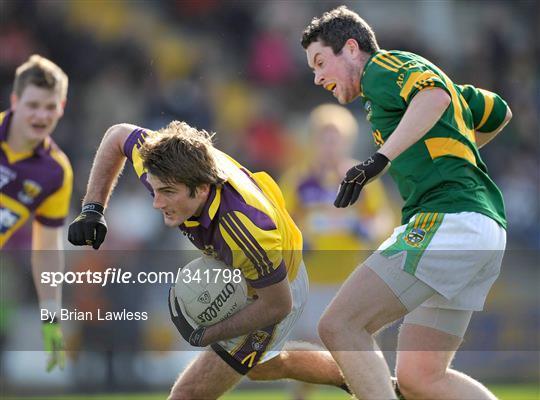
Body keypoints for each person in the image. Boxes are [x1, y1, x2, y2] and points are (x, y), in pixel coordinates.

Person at [302, 6, 512, 400]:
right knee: (420, 378)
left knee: (340, 326)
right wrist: (449, 157)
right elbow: (498, 109)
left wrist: (379, 160)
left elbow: (431, 96)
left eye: (319, 63)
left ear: (350, 48)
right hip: (481, 226)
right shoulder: (424, 82)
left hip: (447, 219)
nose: (316, 77)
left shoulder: (379, 69)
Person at [67, 121, 352, 399]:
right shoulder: (166, 163)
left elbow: (278, 304)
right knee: (263, 366)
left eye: (167, 192)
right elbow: (118, 134)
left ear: (202, 189)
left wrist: (206, 334)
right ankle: (361, 378)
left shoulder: (244, 231)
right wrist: (92, 209)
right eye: (154, 189)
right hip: (252, 268)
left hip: (276, 284)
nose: (156, 202)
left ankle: (363, 377)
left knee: (188, 394)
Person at [280, 103, 395, 399]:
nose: (330, 145)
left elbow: (382, 219)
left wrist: (366, 230)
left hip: (351, 277)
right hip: (312, 279)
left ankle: (372, 392)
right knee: (311, 348)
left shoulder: (361, 177)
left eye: (336, 138)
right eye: (324, 138)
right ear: (313, 141)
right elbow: (279, 223)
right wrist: (298, 242)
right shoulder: (299, 179)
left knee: (356, 344)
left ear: (346, 141)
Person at [0, 55, 72, 372]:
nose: (41, 115)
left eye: (50, 106)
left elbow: (46, 250)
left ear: (62, 106)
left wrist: (51, 315)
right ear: (15, 100)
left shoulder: (55, 173)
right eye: (32, 105)